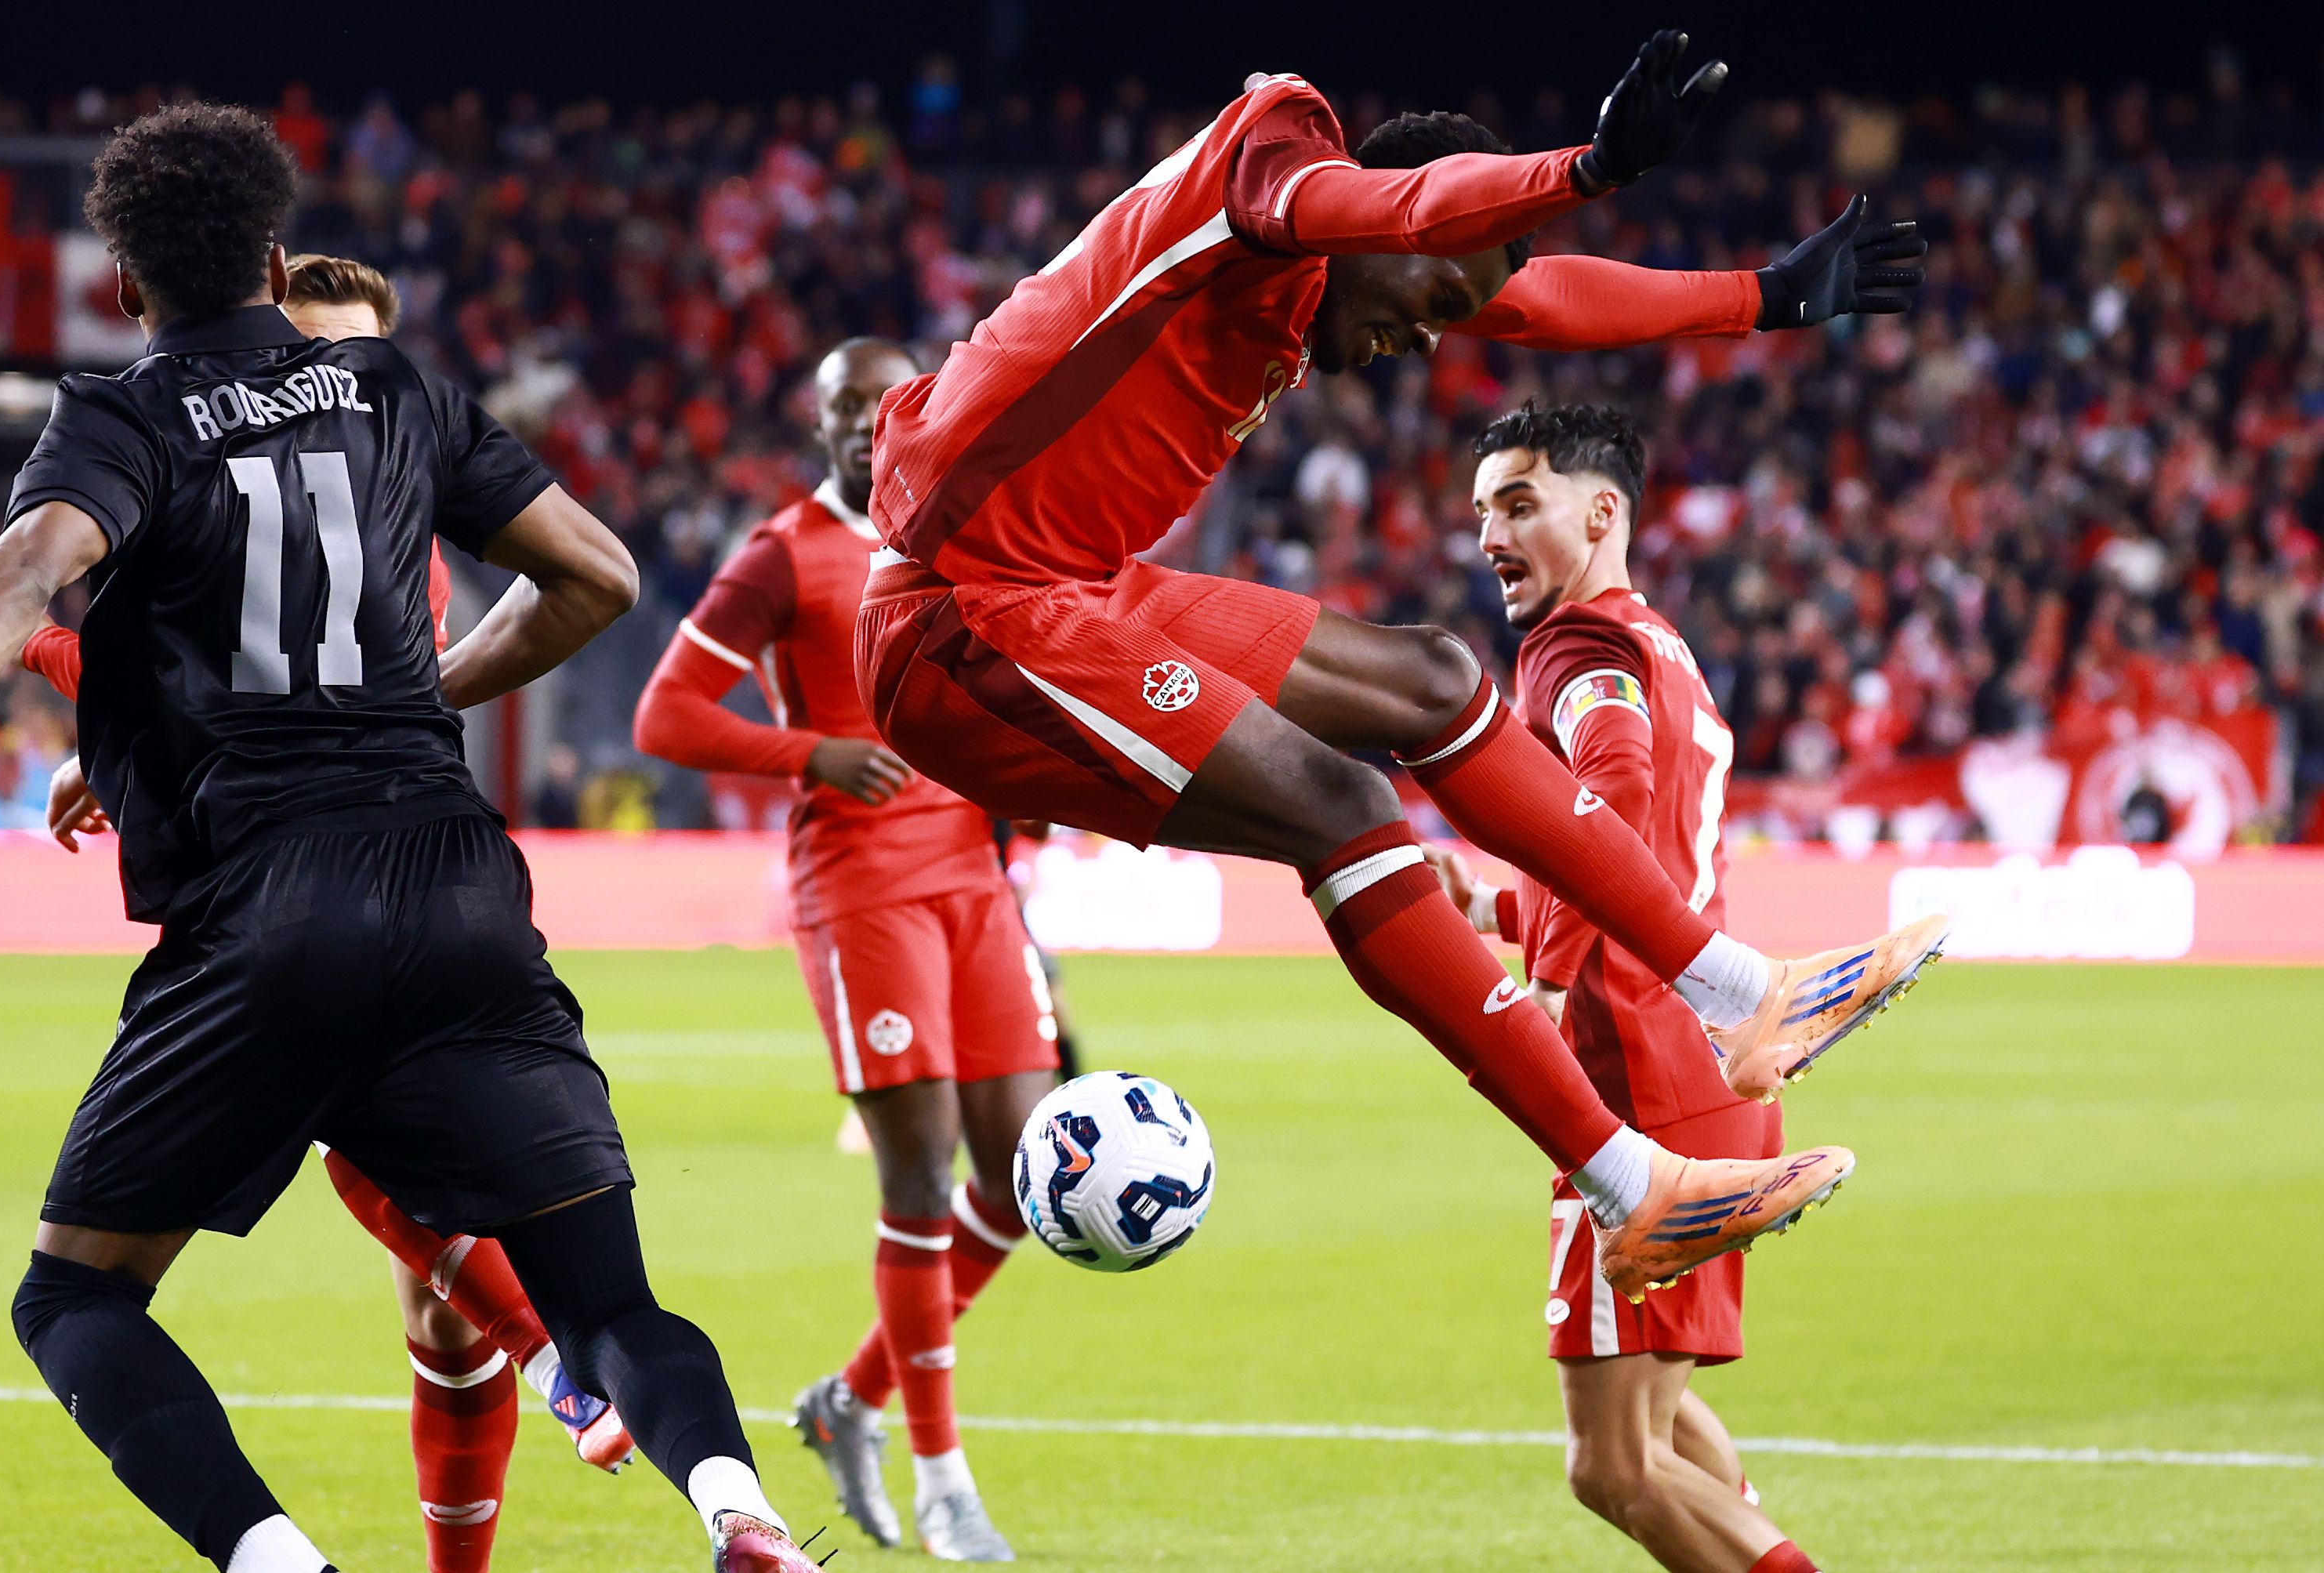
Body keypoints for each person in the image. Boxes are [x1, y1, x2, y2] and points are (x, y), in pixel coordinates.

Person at [0, 106, 822, 1573]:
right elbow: (598, 577)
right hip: (459, 888)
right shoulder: (398, 388)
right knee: (610, 1305)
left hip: (272, 908)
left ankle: (286, 1563)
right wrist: (418, 696)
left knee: (75, 1300)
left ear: (125, 287)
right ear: (275, 261)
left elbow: (25, 571)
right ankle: (738, 1508)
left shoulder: (122, 418)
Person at [855, 39, 1948, 1301]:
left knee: (1430, 680)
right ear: (1397, 227)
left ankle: (1742, 994)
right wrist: (1584, 171)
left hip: (1069, 584)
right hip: (963, 614)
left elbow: (1536, 299)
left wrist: (1762, 297)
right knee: (1343, 807)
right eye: (1436, 302)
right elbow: (1418, 210)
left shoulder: (1332, 262)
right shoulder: (1274, 155)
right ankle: (1632, 1189)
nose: (1429, 342)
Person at [26, 253, 639, 1573]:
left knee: (379, 1202)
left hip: (365, 885)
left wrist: (67, 681)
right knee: (435, 1315)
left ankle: (556, 1361)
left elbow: (218, 671)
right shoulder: (269, 479)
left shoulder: (377, 513)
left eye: (351, 354)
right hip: (354, 885)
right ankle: (543, 1375)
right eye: (306, 346)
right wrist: (111, 739)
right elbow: (204, 666)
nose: (321, 381)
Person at [635, 337, 1048, 1560]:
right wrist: (809, 753)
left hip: (971, 874)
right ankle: (942, 1477)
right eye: (845, 406)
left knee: (1020, 1180)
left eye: (887, 402)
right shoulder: (782, 554)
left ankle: (850, 1399)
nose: (869, 422)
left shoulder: (960, 535)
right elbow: (667, 713)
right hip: (862, 887)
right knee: (918, 1178)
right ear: (818, 426)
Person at [1433, 403, 1834, 1573]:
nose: (1491, 537)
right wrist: (1498, 909)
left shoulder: (1573, 646)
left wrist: (1548, 981)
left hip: (1640, 1093)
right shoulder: (1662, 645)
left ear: (1603, 513)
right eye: (1482, 513)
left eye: (1520, 504)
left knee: (1611, 1465)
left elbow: (1606, 800)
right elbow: (1645, 869)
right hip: (1708, 1070)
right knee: (1658, 1419)